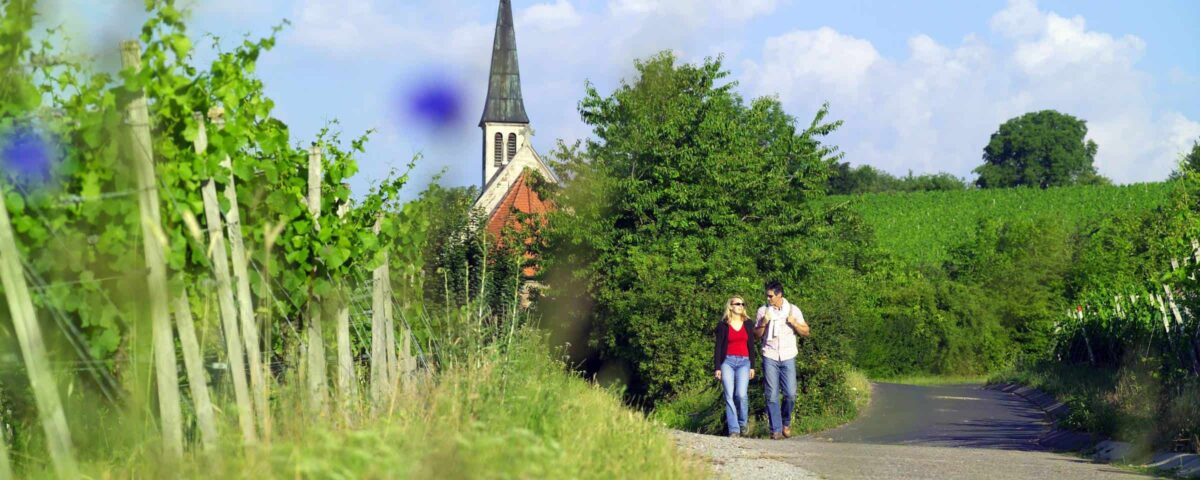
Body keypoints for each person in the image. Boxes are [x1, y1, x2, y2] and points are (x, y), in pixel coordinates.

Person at [753, 280, 810, 440]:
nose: (768, 298)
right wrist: (764, 323)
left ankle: (786, 422)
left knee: (790, 394)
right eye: (767, 295)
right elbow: (756, 336)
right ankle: (775, 430)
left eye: (771, 296)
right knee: (771, 395)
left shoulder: (793, 310)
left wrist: (795, 324)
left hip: (788, 355)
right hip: (769, 355)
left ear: (779, 295)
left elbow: (806, 331)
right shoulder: (763, 311)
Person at [713, 296, 756, 437]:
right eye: (737, 304)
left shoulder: (748, 323)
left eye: (742, 304)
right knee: (729, 395)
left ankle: (743, 423)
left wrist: (752, 366)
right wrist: (717, 367)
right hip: (727, 362)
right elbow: (718, 347)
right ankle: (734, 429)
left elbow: (751, 346)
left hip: (744, 362)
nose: (740, 306)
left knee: (741, 395)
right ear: (730, 306)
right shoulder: (723, 325)